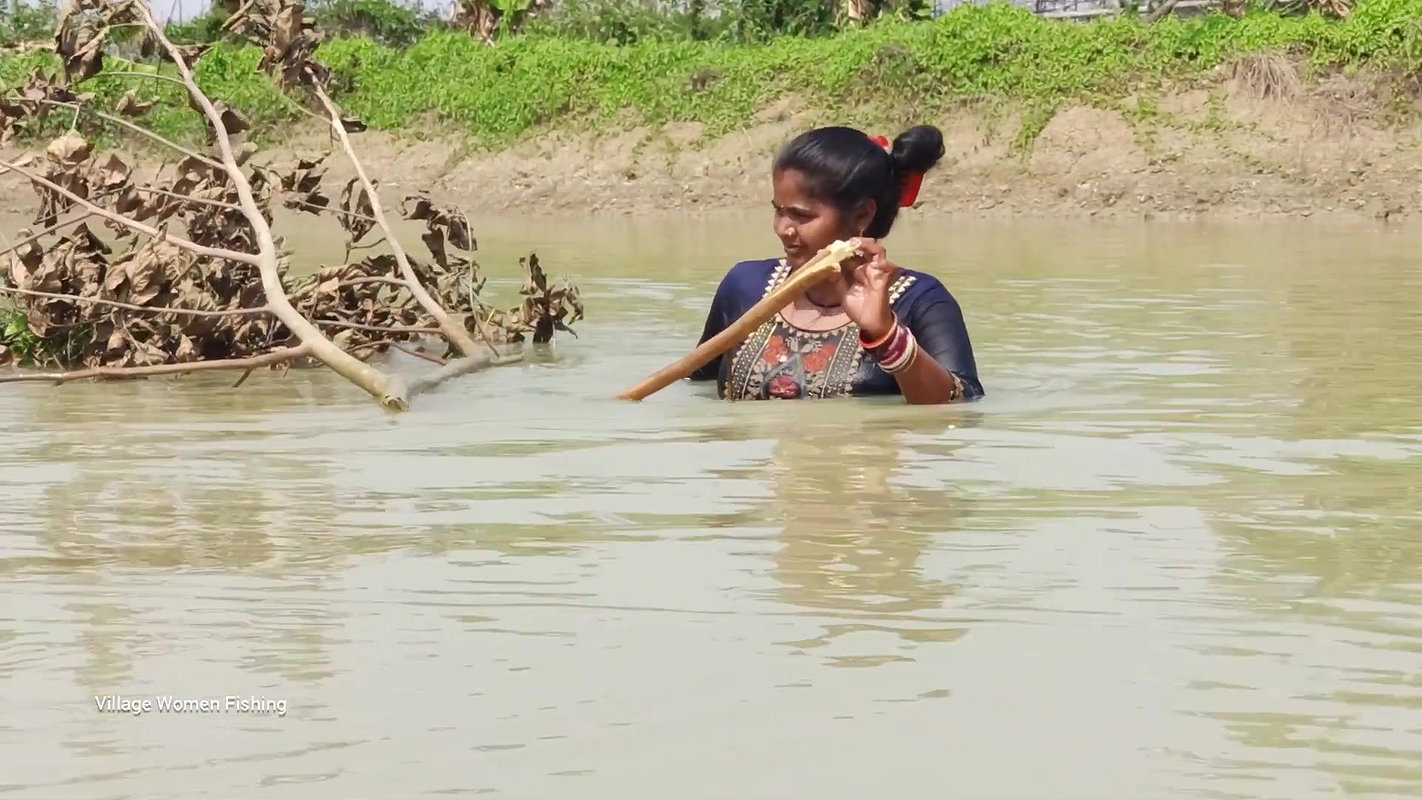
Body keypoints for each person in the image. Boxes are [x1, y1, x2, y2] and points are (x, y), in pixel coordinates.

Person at [688, 124, 984, 404]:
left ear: (862, 215)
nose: (783, 228)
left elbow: (961, 406)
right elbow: (698, 389)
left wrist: (886, 335)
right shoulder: (745, 286)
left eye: (802, 216)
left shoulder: (921, 301)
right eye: (779, 211)